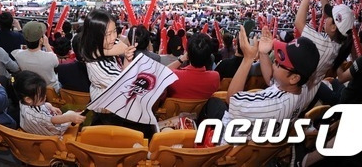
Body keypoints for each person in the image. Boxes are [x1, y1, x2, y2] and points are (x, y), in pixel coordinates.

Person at [198, 25, 320, 145]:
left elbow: (231, 99)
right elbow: (270, 80)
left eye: (278, 63)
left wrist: (248, 59)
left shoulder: (270, 105)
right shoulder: (303, 89)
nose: (275, 62)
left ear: (294, 78)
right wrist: (263, 53)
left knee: (212, 103)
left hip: (230, 139)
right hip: (259, 133)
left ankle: (199, 140)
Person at [80, 9, 157, 137]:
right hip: (108, 111)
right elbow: (127, 84)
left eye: (114, 30)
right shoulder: (98, 66)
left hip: (116, 103)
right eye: (107, 34)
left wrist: (126, 57)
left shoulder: (105, 45)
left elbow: (123, 70)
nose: (114, 37)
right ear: (95, 36)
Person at [13, 70, 84, 136]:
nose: (45, 96)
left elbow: (40, 107)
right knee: (71, 113)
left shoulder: (23, 101)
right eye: (42, 95)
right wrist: (69, 117)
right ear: (28, 99)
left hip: (34, 128)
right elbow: (52, 120)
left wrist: (49, 106)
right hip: (52, 134)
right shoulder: (36, 116)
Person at [166, 32, 220, 99]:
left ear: (188, 54)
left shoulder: (175, 75)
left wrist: (181, 59)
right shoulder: (215, 77)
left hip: (176, 109)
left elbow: (163, 72)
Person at [11, 21, 60, 92]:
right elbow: (56, 63)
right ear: (41, 40)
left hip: (31, 89)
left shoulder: (17, 54)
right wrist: (47, 44)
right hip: (50, 90)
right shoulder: (50, 57)